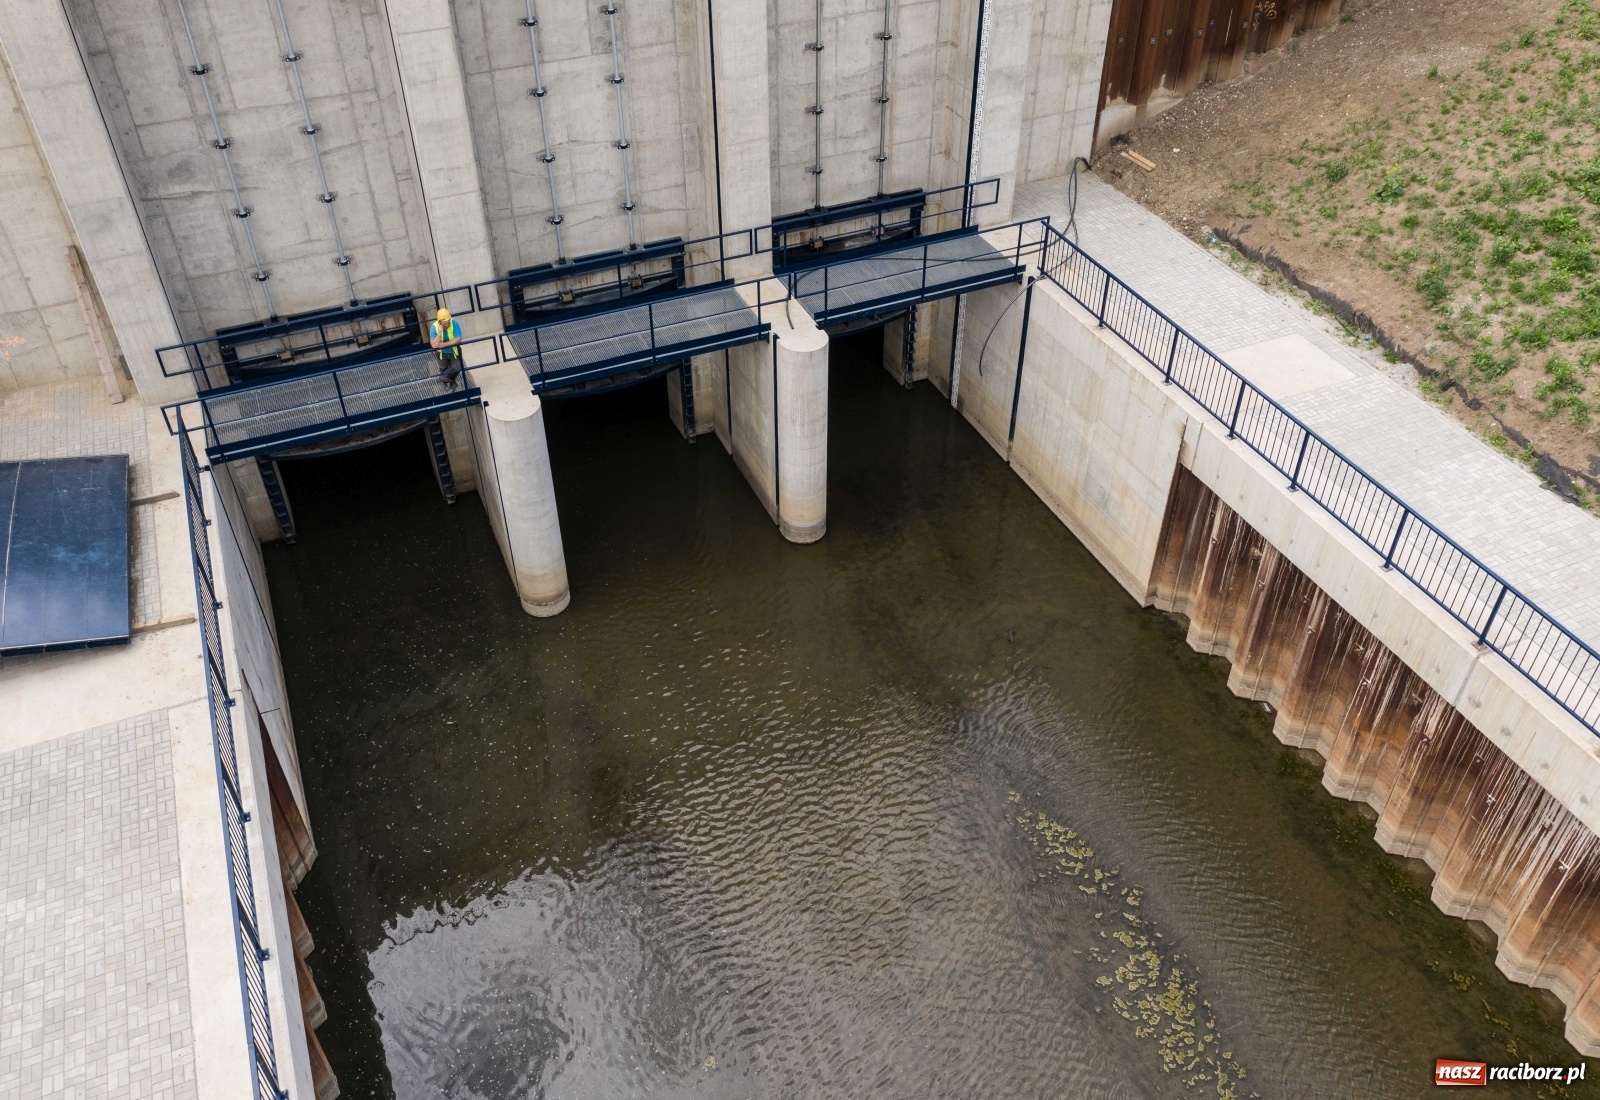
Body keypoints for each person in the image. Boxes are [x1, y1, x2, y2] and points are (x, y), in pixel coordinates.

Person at [430, 308, 464, 388]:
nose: (447, 325)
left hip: (454, 352)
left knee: (456, 368)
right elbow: (433, 344)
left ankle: (442, 380)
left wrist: (444, 345)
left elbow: (458, 339)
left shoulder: (454, 323)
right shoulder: (434, 327)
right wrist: (439, 333)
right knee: (444, 368)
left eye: (448, 323)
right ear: (439, 322)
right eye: (445, 324)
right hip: (442, 354)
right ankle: (450, 382)